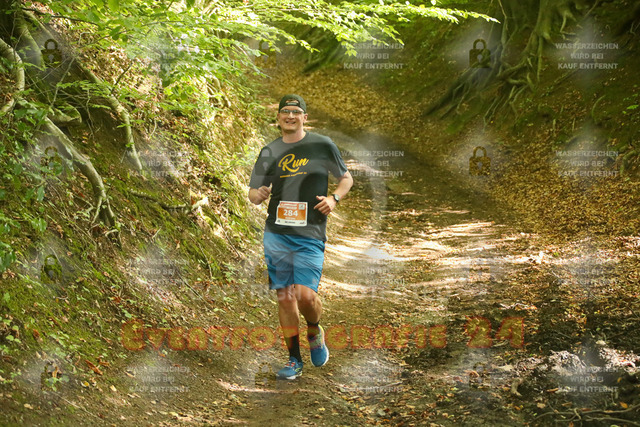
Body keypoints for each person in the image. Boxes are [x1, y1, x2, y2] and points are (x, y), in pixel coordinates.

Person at [248, 94, 353, 379]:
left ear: (305, 117)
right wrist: (259, 193)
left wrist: (333, 199)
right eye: (285, 111)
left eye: (296, 112)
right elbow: (253, 193)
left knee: (305, 296)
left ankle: (314, 329)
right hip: (277, 233)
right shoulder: (269, 151)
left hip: (310, 234)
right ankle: (294, 360)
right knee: (285, 297)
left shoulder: (322, 145)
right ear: (278, 117)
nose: (290, 116)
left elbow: (346, 179)